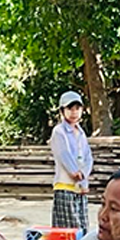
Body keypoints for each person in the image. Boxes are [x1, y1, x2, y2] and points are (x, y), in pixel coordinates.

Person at [50, 91, 94, 230]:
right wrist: (75, 172)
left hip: (80, 188)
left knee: (82, 228)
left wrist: (84, 174)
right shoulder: (59, 132)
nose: (74, 112)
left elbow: (88, 156)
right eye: (70, 108)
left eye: (77, 108)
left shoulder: (81, 133)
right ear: (62, 111)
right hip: (65, 186)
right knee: (68, 229)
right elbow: (63, 154)